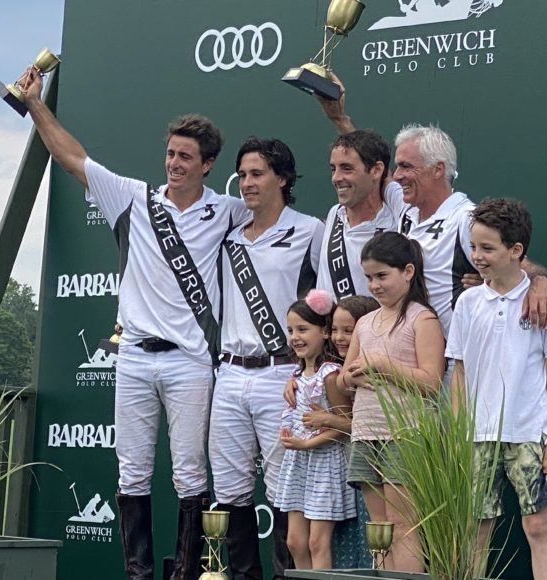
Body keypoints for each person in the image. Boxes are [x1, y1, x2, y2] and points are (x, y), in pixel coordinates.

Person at [21, 68, 248, 580]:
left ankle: (190, 572)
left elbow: (276, 213)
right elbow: (72, 158)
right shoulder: (133, 198)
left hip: (191, 361)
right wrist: (36, 104)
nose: (173, 163)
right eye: (170, 153)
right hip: (134, 358)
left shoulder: (230, 212)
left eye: (185, 157)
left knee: (191, 473)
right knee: (132, 472)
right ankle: (139, 574)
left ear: (208, 164)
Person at [316, 75, 547, 336]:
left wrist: (540, 282)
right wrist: (339, 119)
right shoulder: (406, 207)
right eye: (397, 166)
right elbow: (370, 169)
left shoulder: (464, 218)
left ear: (437, 169)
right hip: (411, 362)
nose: (397, 175)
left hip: (452, 361)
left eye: (407, 166)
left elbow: (519, 264)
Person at [209, 137, 324, 580]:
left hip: (282, 374)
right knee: (231, 490)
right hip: (230, 372)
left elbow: (331, 299)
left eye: (257, 174)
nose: (247, 183)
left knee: (283, 490)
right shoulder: (230, 237)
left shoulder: (310, 229)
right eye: (241, 175)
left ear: (283, 177)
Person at [446, 198, 547, 580]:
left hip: (528, 432)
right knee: (476, 529)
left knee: (538, 525)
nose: (477, 257)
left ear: (516, 251)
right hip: (476, 435)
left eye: (487, 248)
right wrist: (456, 431)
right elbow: (460, 373)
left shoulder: (543, 303)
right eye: (473, 247)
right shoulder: (468, 302)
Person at [338, 232, 445, 572]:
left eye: (382, 276)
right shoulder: (366, 321)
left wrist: (383, 366)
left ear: (408, 271)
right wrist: (352, 377)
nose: (374, 285)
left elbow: (431, 381)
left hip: (407, 434)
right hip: (365, 431)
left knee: (404, 525)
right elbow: (344, 378)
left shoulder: (421, 318)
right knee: (379, 529)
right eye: (369, 277)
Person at [273, 290, 356, 569]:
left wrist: (310, 443)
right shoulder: (295, 377)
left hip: (325, 465)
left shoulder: (330, 374)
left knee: (317, 542)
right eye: (290, 330)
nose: (295, 336)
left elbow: (346, 425)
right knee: (295, 542)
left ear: (324, 332)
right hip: (298, 464)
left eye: (303, 329)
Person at [307, 295, 380, 568]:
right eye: (334, 329)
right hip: (342, 476)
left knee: (373, 541)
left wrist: (329, 420)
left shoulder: (371, 370)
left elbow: (363, 426)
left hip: (370, 473)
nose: (339, 337)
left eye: (348, 330)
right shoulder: (331, 370)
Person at [317, 130, 404, 301]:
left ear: (376, 170)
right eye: (333, 169)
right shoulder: (334, 214)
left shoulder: (397, 225)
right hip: (330, 327)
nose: (336, 178)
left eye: (347, 169)